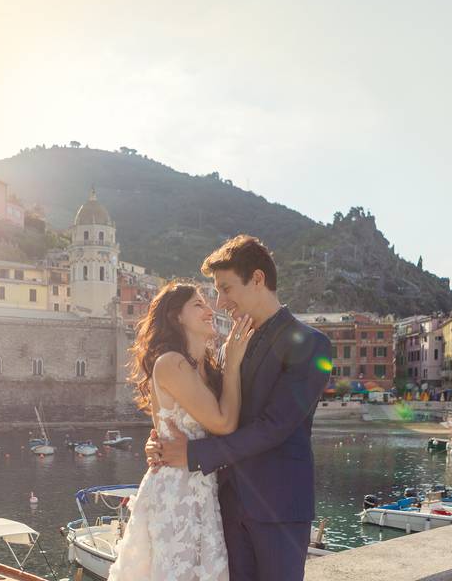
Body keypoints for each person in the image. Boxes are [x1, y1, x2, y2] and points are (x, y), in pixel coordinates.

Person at [146, 235, 331, 581]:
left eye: (226, 289)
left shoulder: (312, 345)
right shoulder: (226, 350)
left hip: (279, 508)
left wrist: (194, 454)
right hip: (224, 507)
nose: (220, 302)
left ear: (257, 279)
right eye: (214, 292)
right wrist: (161, 439)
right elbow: (197, 407)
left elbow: (274, 426)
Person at [106, 281, 254, 581]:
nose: (209, 310)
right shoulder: (171, 363)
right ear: (177, 317)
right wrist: (235, 365)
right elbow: (224, 423)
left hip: (203, 490)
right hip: (177, 493)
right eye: (198, 305)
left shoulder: (207, 368)